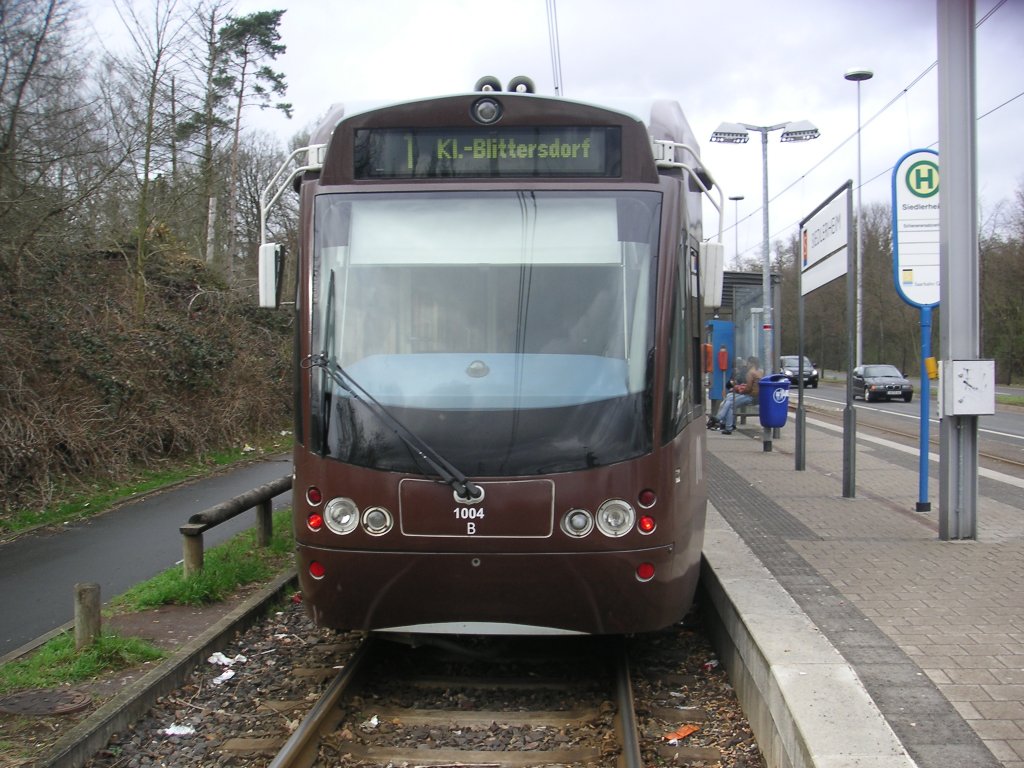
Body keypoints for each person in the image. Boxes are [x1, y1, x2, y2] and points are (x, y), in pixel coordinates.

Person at [715, 356, 763, 434]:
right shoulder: (760, 372)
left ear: (752, 363)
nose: (747, 364)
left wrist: (740, 390)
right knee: (730, 399)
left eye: (748, 363)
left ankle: (722, 421)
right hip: (758, 397)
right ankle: (722, 421)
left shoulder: (750, 373)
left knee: (731, 404)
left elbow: (748, 389)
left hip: (750, 397)